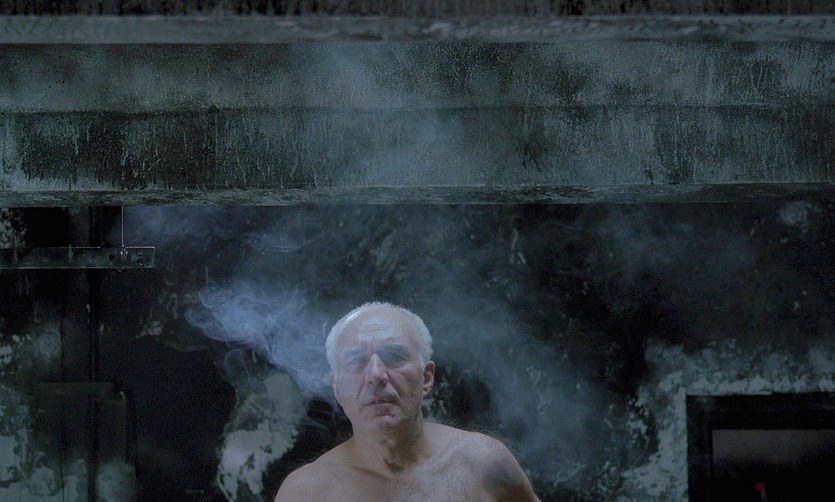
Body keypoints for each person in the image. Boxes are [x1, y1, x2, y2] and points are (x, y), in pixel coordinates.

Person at [274, 301, 541, 502]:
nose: (376, 375)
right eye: (356, 361)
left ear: (426, 378)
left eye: (393, 356)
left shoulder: (482, 463)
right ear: (337, 387)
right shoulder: (305, 493)